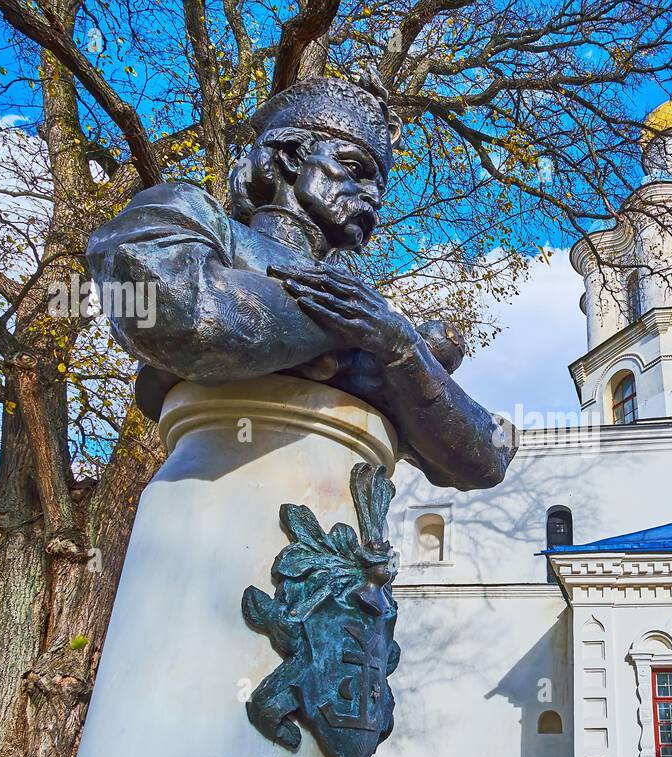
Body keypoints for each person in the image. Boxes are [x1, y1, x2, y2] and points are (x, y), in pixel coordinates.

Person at [86, 74, 515, 490]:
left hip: (350, 549)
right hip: (210, 508)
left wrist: (403, 349)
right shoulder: (187, 213)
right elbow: (186, 316)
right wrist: (358, 342)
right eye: (353, 168)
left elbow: (485, 460)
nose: (373, 197)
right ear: (291, 155)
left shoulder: (374, 321)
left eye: (378, 184)